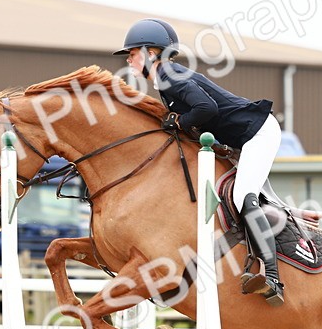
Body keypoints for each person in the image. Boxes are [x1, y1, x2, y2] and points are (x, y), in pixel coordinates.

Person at [113, 18, 287, 306]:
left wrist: (179, 121)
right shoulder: (166, 77)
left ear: (151, 53)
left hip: (257, 133)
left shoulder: (167, 74)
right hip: (244, 135)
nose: (129, 61)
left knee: (244, 196)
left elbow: (207, 107)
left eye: (132, 54)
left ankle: (272, 277)